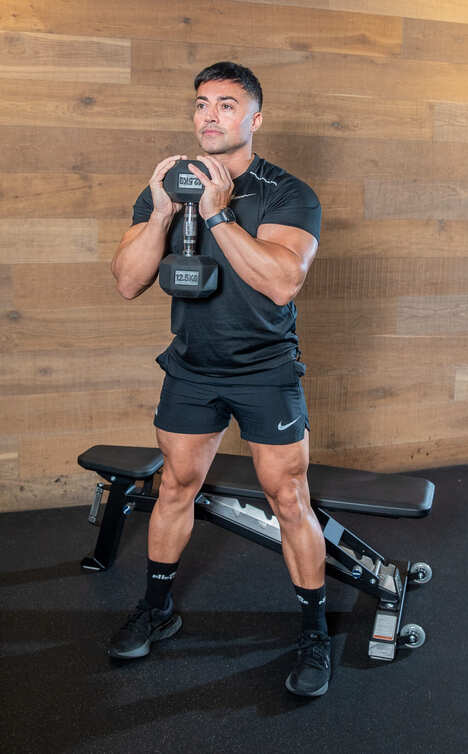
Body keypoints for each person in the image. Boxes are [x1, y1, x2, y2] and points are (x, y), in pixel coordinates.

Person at [110, 62, 330, 697]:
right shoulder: (168, 187)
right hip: (193, 365)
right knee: (176, 484)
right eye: (202, 104)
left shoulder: (288, 193)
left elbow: (282, 280)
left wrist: (215, 216)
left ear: (253, 119)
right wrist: (159, 213)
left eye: (227, 105)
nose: (210, 115)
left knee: (288, 497)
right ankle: (158, 608)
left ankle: (313, 629)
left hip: (266, 367)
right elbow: (127, 283)